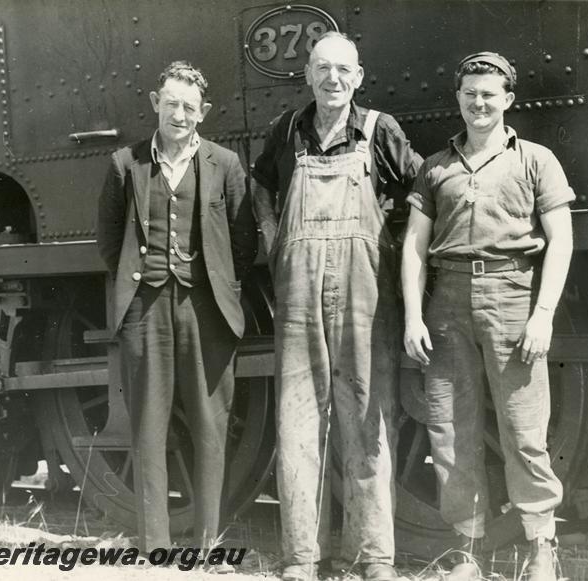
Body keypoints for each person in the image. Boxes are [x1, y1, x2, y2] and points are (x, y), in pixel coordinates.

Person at [252, 32, 422, 581]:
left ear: (360, 75)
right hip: (298, 290)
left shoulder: (380, 131)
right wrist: (274, 237)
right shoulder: (288, 130)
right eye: (322, 68)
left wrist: (394, 244)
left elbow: (422, 192)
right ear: (307, 74)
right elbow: (260, 187)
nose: (333, 79)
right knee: (298, 420)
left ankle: (372, 558)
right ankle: (301, 558)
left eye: (343, 69)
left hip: (364, 292)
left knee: (367, 418)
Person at [401, 52, 574, 581]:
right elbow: (413, 244)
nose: (480, 103)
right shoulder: (435, 167)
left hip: (513, 296)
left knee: (524, 429)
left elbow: (562, 239)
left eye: (489, 94)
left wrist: (543, 315)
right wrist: (413, 316)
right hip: (447, 300)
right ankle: (467, 552)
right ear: (458, 99)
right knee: (452, 432)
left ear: (508, 101)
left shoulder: (536, 160)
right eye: (470, 94)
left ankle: (542, 547)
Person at [97, 61, 257, 556]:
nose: (179, 114)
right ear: (154, 104)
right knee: (148, 426)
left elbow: (243, 242)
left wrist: (210, 281)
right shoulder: (126, 164)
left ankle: (210, 546)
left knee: (211, 426)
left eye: (189, 107)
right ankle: (154, 548)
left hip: (206, 308)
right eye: (171, 104)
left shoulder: (225, 164)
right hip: (145, 309)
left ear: (203, 112)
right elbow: (109, 242)